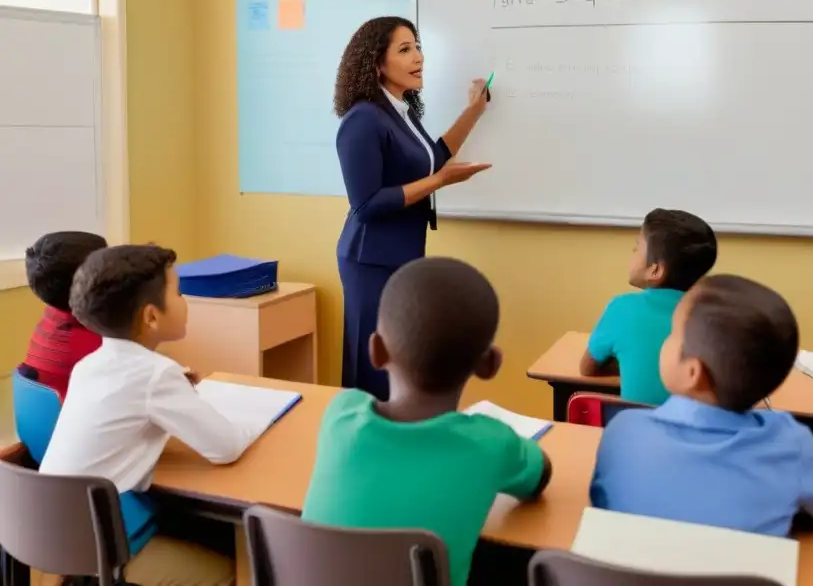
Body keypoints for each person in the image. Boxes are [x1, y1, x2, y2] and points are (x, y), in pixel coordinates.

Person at [303, 257, 552, 586]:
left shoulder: (341, 414)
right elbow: (540, 476)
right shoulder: (491, 444)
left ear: (375, 350)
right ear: (489, 364)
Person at [40, 244, 261, 585]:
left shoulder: (88, 366)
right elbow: (226, 447)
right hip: (108, 546)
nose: (185, 301)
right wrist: (259, 421)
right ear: (151, 316)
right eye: (179, 293)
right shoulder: (155, 374)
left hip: (57, 535)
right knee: (239, 573)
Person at [590, 274, 813, 537]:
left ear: (693, 373)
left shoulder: (623, 432)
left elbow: (602, 503)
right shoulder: (790, 446)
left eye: (672, 333)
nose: (665, 340)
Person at [334, 16, 492, 399]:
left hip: (402, 255)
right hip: (370, 260)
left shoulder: (400, 112)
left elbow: (432, 158)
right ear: (377, 63)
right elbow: (367, 204)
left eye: (417, 46)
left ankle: (397, 445)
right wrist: (441, 181)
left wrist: (474, 111)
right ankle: (366, 447)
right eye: (404, 50)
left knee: (400, 361)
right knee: (373, 366)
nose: (418, 56)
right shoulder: (362, 121)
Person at [579, 209, 717, 405]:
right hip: (696, 433)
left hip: (638, 431)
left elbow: (587, 369)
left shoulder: (621, 308)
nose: (632, 253)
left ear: (655, 269)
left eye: (637, 247)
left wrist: (631, 364)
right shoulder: (713, 316)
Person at [18, 231, 107, 400]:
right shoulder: (86, 342)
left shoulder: (54, 314)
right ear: (90, 282)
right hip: (75, 419)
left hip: (43, 417)